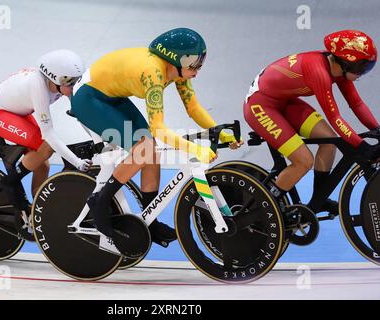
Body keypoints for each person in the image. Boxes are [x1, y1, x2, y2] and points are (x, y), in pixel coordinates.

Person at [70, 27, 242, 247]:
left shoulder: (178, 70)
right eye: (193, 64)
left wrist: (222, 133)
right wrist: (195, 149)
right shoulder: (153, 72)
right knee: (145, 147)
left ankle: (149, 220)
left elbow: (194, 108)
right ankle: (100, 201)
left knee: (151, 150)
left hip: (111, 95)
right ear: (174, 59)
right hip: (89, 98)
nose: (197, 70)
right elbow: (160, 129)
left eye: (200, 62)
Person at [243, 29, 379, 217]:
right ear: (346, 61)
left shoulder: (339, 68)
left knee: (330, 141)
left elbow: (356, 103)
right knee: (303, 161)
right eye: (362, 67)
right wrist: (362, 146)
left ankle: (318, 200)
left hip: (284, 102)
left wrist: (376, 129)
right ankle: (267, 208)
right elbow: (335, 118)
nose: (363, 73)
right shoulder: (319, 72)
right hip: (261, 106)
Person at [0, 49, 92, 199]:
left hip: (17, 112)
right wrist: (77, 162)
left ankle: (38, 208)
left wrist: (98, 139)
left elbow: (80, 114)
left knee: (42, 164)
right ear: (54, 78)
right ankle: (11, 181)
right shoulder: (38, 86)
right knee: (46, 149)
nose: (74, 86)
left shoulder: (62, 84)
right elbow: (48, 133)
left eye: (77, 80)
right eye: (70, 82)